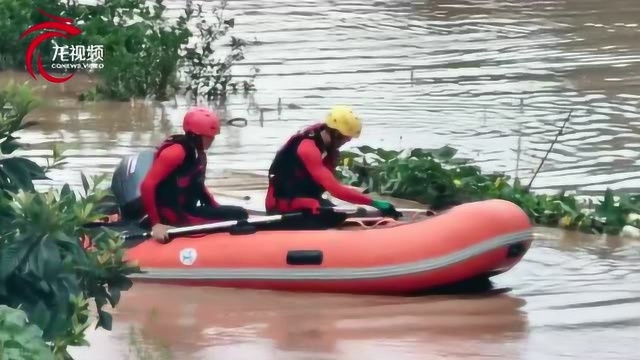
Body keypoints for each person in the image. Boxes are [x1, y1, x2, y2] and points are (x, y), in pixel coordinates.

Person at [265, 105, 398, 217]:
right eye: (346, 138)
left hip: (303, 196)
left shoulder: (324, 142)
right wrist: (373, 202)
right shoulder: (308, 149)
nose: (348, 141)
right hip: (282, 202)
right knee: (324, 211)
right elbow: (335, 190)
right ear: (335, 133)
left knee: (332, 210)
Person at [140, 107, 248, 242]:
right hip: (174, 215)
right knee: (239, 215)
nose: (212, 141)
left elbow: (197, 185)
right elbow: (146, 185)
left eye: (212, 137)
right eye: (209, 137)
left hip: (187, 209)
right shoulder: (176, 152)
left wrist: (215, 207)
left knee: (238, 213)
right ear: (196, 135)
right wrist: (156, 224)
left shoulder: (197, 153)